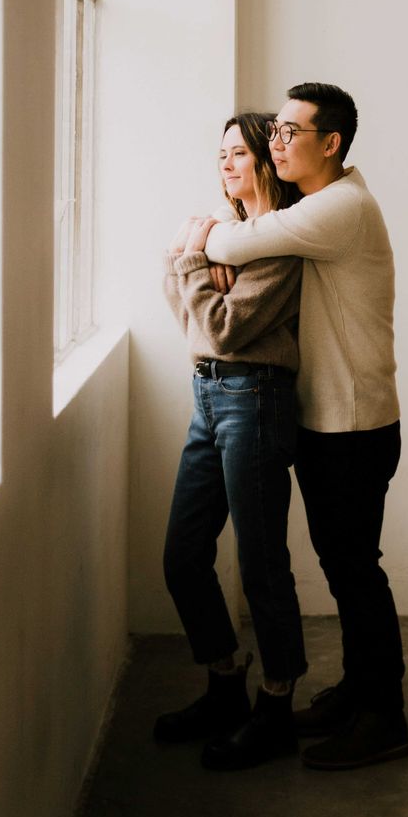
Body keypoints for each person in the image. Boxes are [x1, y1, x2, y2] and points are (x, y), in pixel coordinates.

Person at [203, 82, 408, 770]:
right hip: (334, 421)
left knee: (355, 569)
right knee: (345, 565)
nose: (276, 142)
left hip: (353, 424)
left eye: (292, 132)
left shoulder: (339, 208)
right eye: (276, 131)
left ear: (332, 144)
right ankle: (358, 693)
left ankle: (384, 718)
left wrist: (195, 235)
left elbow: (235, 241)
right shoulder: (326, 206)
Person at [156, 112, 307, 771]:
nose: (225, 164)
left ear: (267, 162)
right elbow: (187, 313)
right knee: (183, 556)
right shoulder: (228, 236)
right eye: (220, 153)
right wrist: (195, 270)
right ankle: (225, 686)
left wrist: (190, 258)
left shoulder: (277, 242)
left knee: (260, 563)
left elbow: (218, 327)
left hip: (256, 397)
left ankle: (275, 703)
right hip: (207, 395)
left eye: (239, 153)